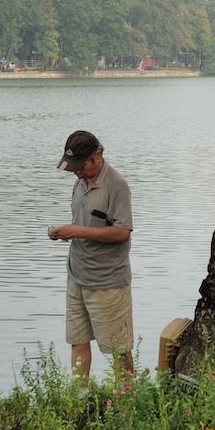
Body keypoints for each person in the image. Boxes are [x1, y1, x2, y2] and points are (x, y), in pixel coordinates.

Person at [48, 129, 135, 383]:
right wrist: (61, 232)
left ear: (98, 155)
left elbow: (122, 232)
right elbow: (83, 221)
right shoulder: (79, 181)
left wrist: (75, 231)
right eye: (72, 166)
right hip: (77, 276)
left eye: (80, 165)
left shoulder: (117, 186)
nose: (76, 171)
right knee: (77, 339)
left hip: (108, 282)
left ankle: (127, 403)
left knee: (118, 349)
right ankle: (78, 398)